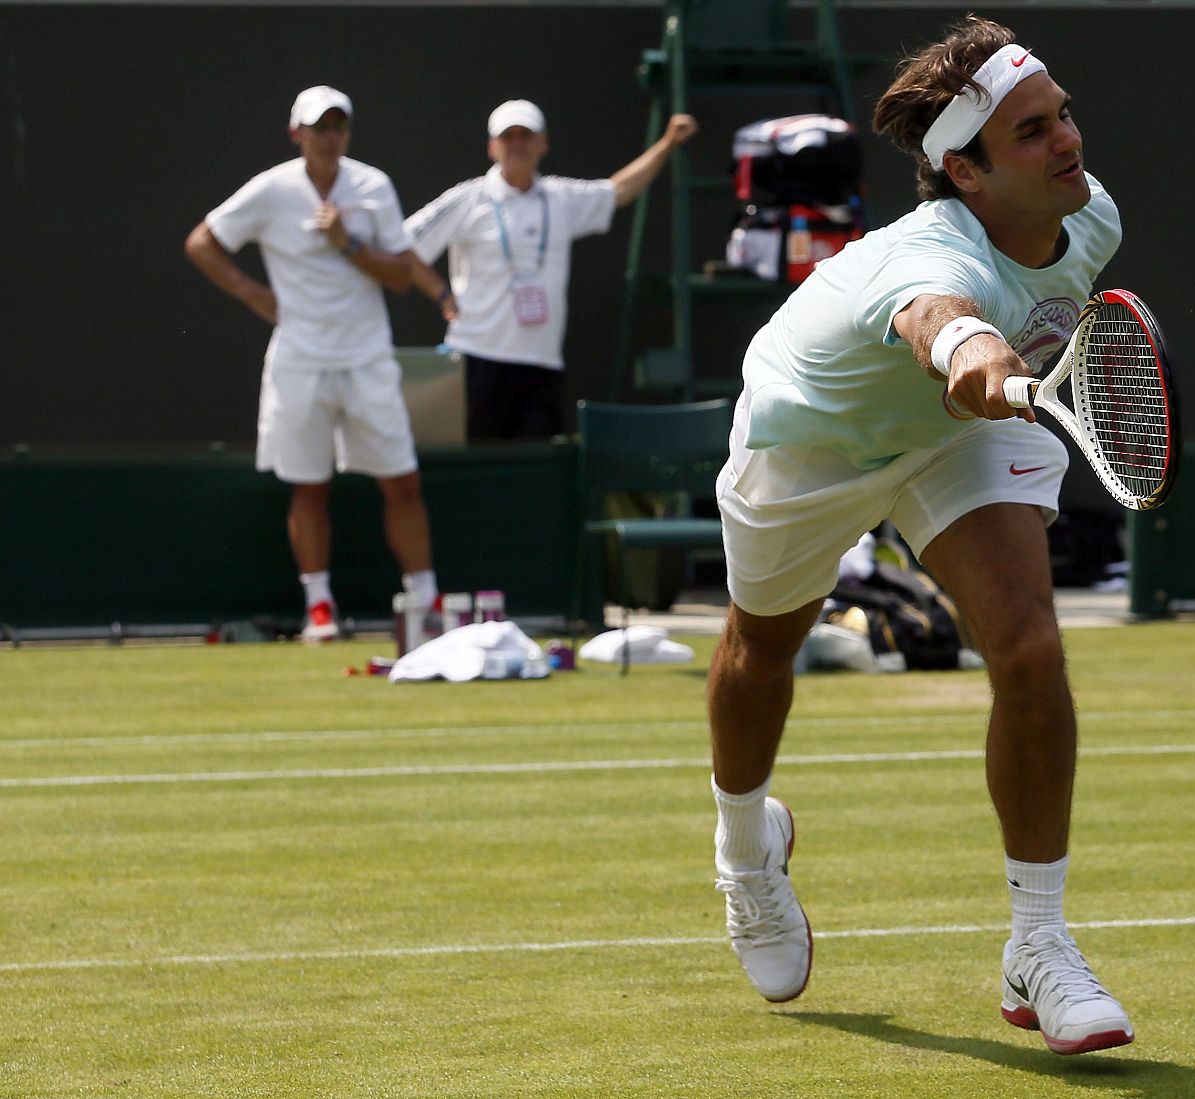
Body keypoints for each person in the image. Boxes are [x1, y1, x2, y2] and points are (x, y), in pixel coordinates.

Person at [706, 16, 1135, 1055]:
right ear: (964, 170)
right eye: (1032, 133)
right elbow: (937, 317)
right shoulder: (933, 257)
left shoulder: (1092, 219)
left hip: (956, 438)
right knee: (760, 652)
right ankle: (743, 850)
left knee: (1030, 649)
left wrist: (987, 379)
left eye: (1062, 114)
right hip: (816, 436)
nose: (1067, 141)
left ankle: (1038, 944)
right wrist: (971, 348)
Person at [184, 85, 439, 642]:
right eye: (319, 126)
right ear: (296, 133)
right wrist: (254, 295)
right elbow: (202, 243)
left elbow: (400, 276)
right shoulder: (272, 190)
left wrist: (347, 243)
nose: (330, 136)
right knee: (309, 487)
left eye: (338, 126)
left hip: (367, 357)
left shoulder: (373, 187)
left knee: (403, 483)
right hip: (300, 359)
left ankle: (427, 599)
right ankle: (319, 606)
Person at [406, 101, 699, 441]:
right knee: (480, 473)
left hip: (541, 366)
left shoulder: (560, 198)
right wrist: (441, 294)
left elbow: (618, 191)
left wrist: (667, 143)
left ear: (542, 143)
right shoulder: (468, 198)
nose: (517, 144)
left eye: (526, 135)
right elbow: (403, 245)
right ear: (492, 146)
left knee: (534, 477)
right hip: (476, 362)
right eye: (508, 136)